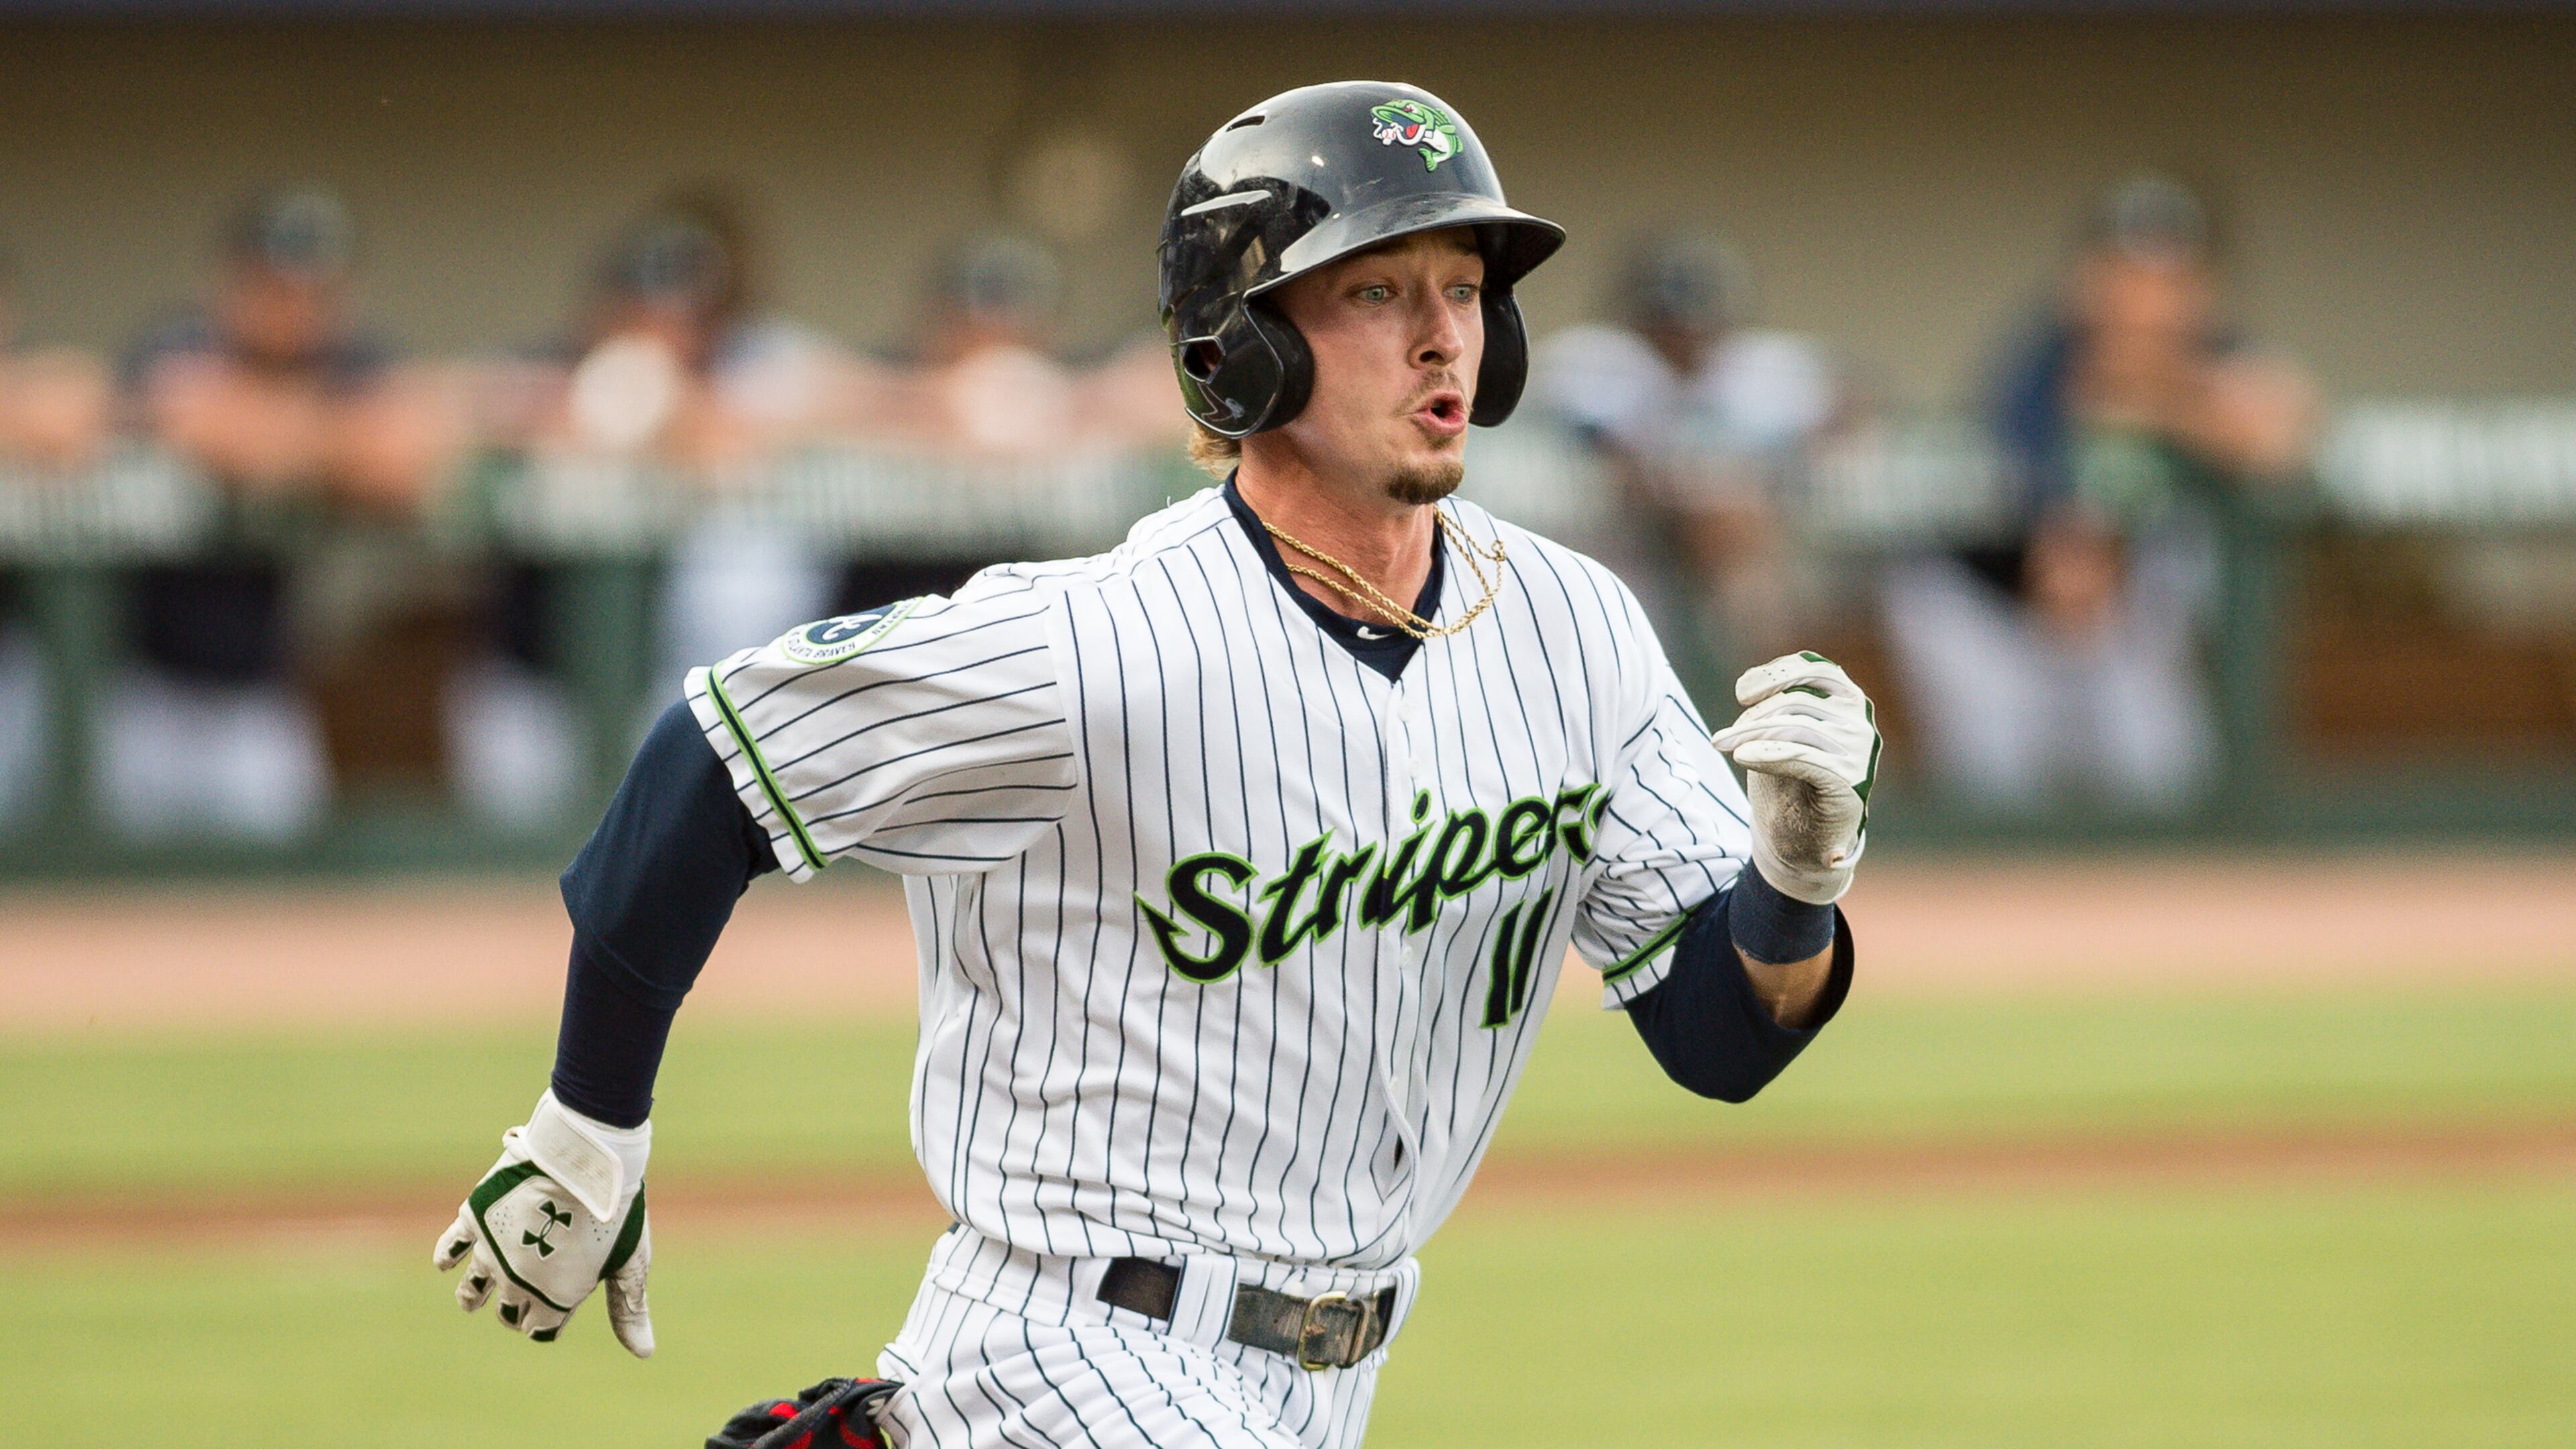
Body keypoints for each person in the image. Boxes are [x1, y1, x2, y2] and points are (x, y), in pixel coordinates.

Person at [431, 83, 1880, 1449]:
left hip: (1333, 1383)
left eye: (1463, 291)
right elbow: (717, 752)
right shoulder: (1093, 643)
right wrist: (586, 1122)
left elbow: (1720, 1039)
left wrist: (1794, 890)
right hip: (1070, 1350)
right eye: (1378, 291)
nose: (1444, 337)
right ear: (1241, 343)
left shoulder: (1578, 631)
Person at [1879, 176, 2316, 812]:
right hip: (1988, 606)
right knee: (1997, 795)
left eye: (2172, 279)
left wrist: (2159, 397)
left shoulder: (2211, 355)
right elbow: (2064, 550)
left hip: (2113, 606)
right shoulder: (2038, 364)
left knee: (2165, 784)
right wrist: (2170, 402)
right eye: (2127, 275)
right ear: (2086, 281)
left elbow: (2280, 434)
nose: (2146, 302)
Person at [111, 188, 455, 839]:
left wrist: (287, 435)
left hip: (260, 697)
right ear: (232, 282)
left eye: (314, 290)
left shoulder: (349, 358)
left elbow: (408, 458)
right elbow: (211, 427)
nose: (294, 309)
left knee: (278, 901)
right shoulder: (179, 340)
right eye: (273, 287)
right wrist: (329, 441)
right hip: (139, 693)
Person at [1529, 231, 1847, 704]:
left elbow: (1846, 406)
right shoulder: (1600, 361)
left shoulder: (1757, 369)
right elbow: (1623, 468)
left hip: (1733, 552)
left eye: (1693, 320)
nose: (1681, 336)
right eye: (1665, 321)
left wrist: (1785, 474)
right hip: (1610, 547)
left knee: (1755, 599)